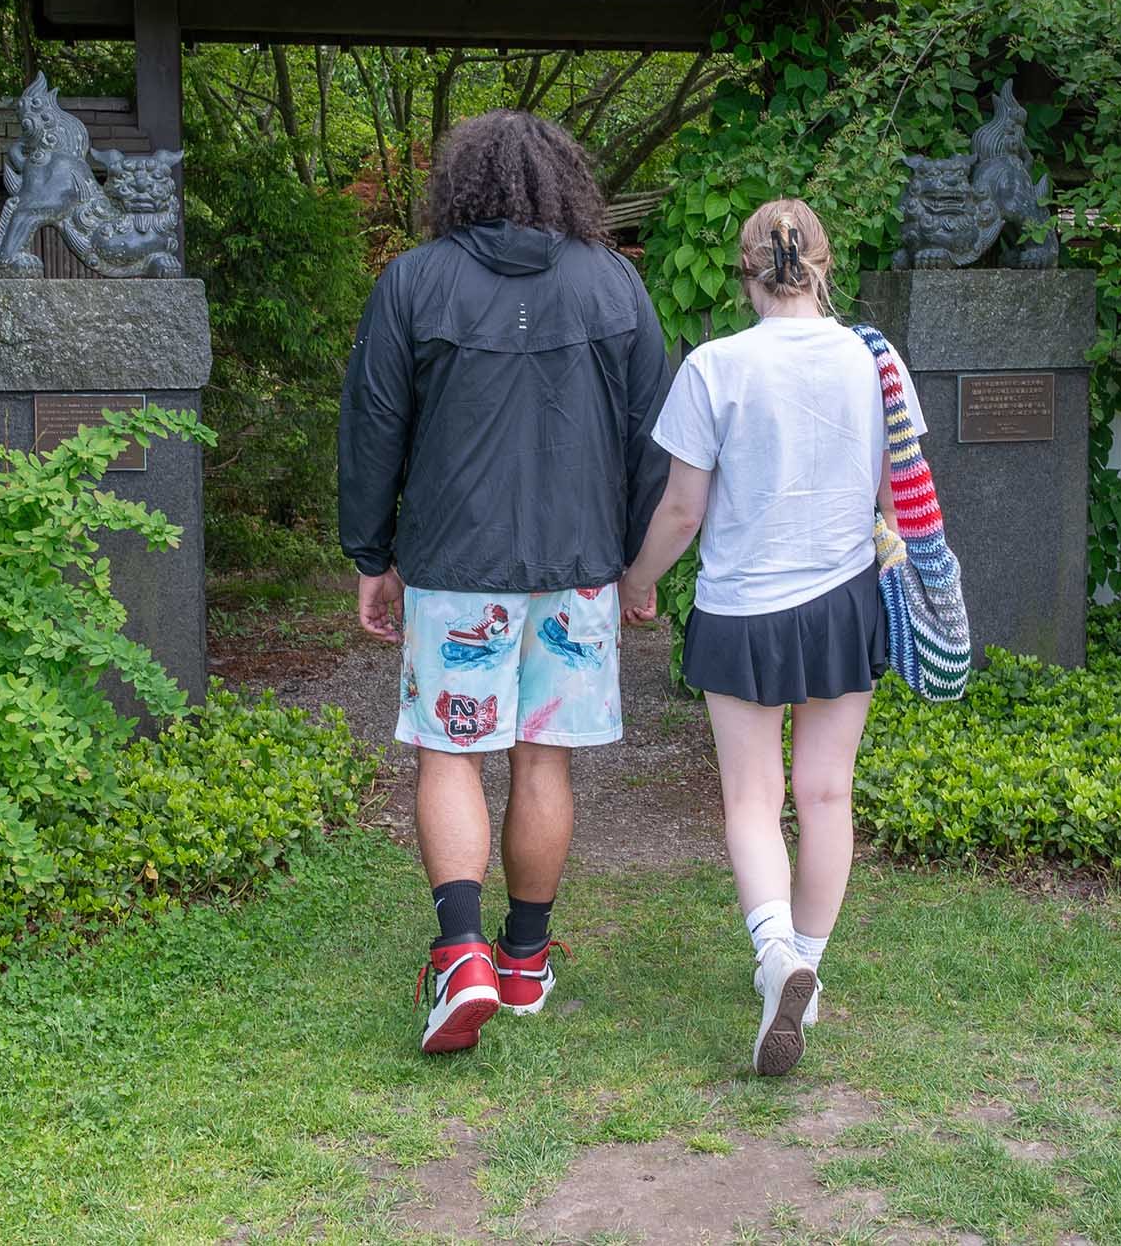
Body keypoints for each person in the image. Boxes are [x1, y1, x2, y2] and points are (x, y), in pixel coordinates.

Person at [339, 109, 672, 1056]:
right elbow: (656, 431)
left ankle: (461, 954)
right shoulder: (614, 283)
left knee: (449, 752)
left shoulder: (412, 282)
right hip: (576, 570)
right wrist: (637, 561)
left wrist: (371, 553)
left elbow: (371, 425)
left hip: (453, 568)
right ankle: (524, 959)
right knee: (542, 756)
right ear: (564, 182)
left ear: (463, 185)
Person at [619, 197, 912, 1076]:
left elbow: (682, 509)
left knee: (751, 800)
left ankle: (775, 955)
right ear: (824, 263)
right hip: (844, 599)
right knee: (825, 795)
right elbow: (897, 499)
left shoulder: (715, 364)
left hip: (743, 607)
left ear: (746, 270)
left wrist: (638, 582)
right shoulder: (875, 360)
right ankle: (809, 969)